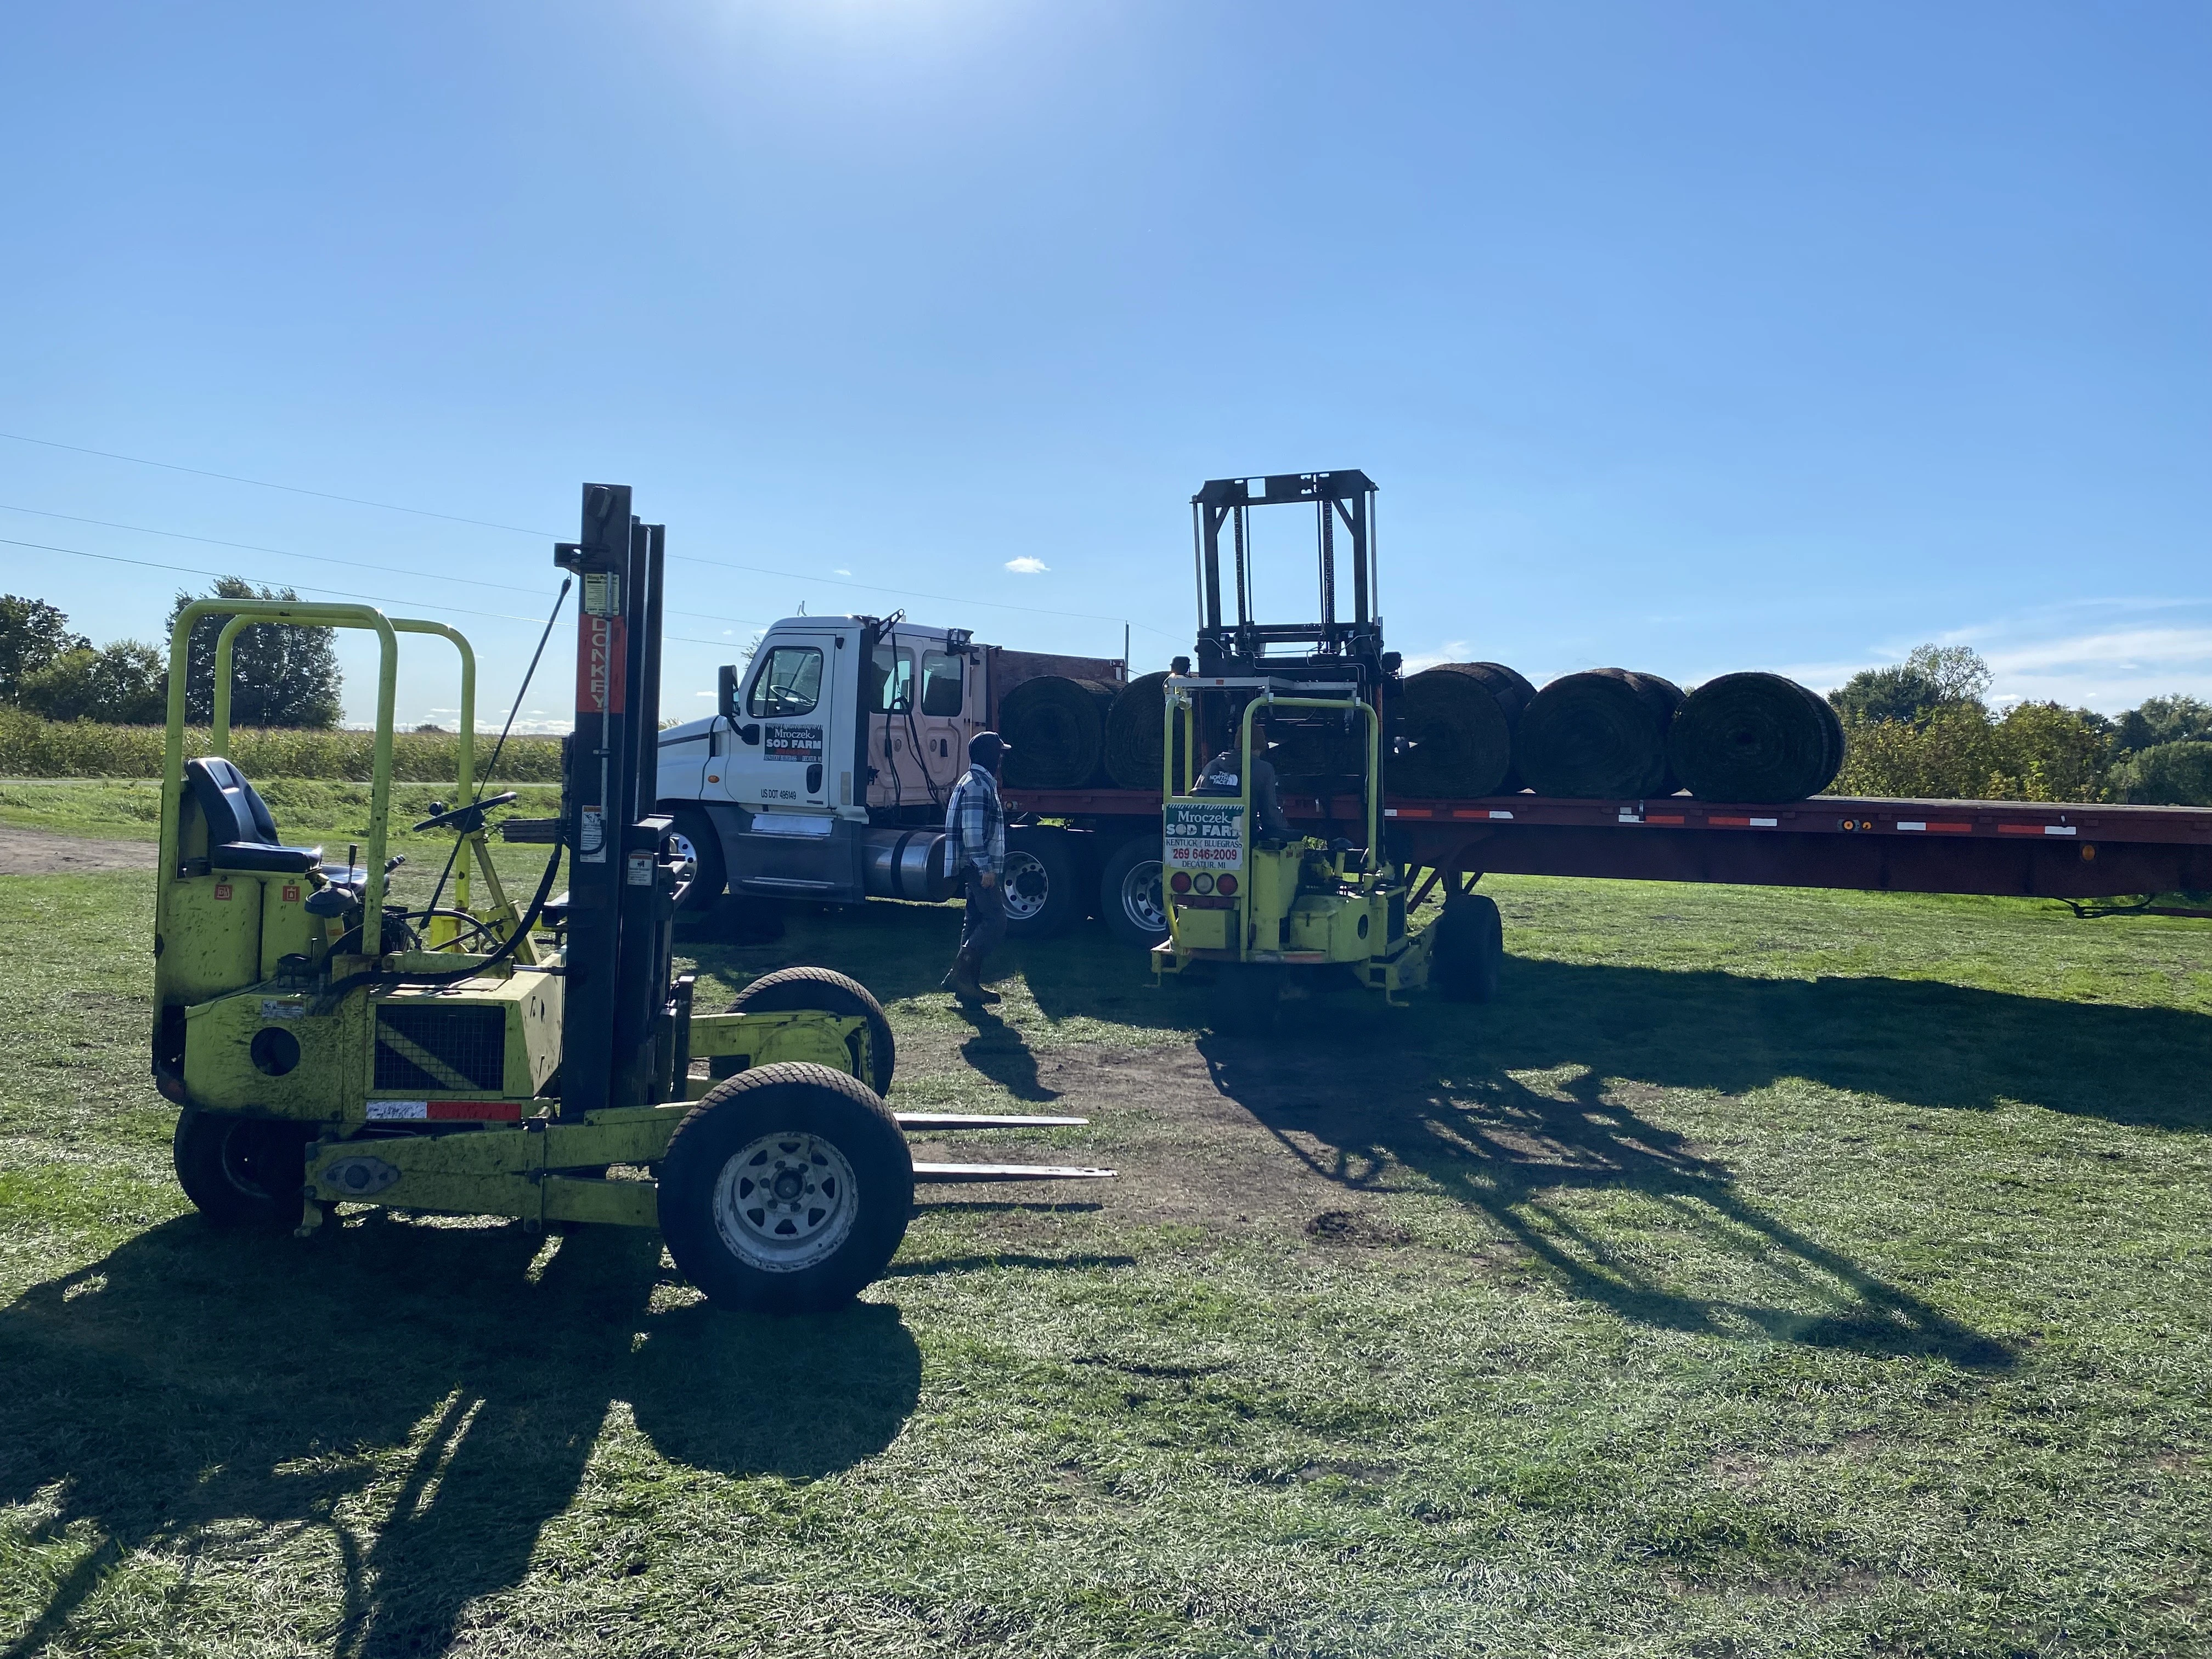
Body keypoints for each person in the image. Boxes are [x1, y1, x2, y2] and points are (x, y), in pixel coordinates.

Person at [940, 730, 1012, 1005]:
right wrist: (985, 868)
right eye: (999, 754)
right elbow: (972, 833)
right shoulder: (978, 785)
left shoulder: (973, 781)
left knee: (973, 920)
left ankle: (966, 985)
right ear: (990, 756)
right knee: (996, 920)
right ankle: (961, 975)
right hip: (977, 865)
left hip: (972, 865)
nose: (1001, 760)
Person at [1192, 709, 1292, 839]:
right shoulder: (1263, 769)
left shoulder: (1212, 765)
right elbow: (1269, 814)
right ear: (1259, 747)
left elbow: (1196, 798)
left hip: (1204, 836)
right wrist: (1288, 829)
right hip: (1242, 837)